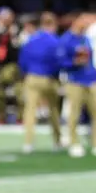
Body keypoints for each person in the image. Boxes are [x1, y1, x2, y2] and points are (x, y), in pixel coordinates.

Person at [60, 12, 96, 157]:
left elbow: (91, 61)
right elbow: (61, 62)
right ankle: (74, 143)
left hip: (91, 80)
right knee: (74, 114)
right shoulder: (66, 39)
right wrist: (73, 63)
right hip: (75, 80)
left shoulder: (86, 38)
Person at [18, 12, 63, 153]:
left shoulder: (31, 40)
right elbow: (58, 62)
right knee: (53, 111)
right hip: (48, 78)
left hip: (31, 77)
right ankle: (57, 141)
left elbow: (22, 61)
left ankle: (28, 142)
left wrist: (26, 73)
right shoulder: (55, 41)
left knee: (30, 111)